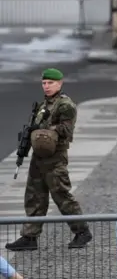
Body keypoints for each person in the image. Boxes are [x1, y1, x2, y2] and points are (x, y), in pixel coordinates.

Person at [5, 69, 93, 251]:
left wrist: (43, 130)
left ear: (59, 84)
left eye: (50, 83)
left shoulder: (65, 105)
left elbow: (66, 130)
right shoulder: (43, 105)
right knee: (34, 197)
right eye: (44, 83)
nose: (46, 86)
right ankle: (29, 237)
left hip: (55, 158)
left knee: (62, 196)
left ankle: (82, 231)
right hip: (39, 157)